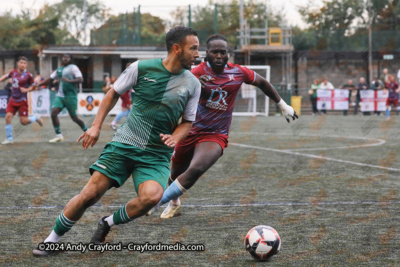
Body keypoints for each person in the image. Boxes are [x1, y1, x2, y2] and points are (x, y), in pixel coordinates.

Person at [32, 26, 201, 256]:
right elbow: (113, 94)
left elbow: (188, 122)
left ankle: (107, 223)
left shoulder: (193, 83)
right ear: (176, 48)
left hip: (156, 154)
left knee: (152, 197)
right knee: (89, 194)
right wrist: (95, 125)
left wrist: (175, 136)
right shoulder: (140, 68)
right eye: (194, 49)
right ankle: (51, 240)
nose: (197, 54)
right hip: (125, 144)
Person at [147, 34, 298, 219]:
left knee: (196, 168)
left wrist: (283, 105)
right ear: (207, 53)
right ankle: (174, 202)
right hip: (189, 131)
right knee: (176, 173)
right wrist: (191, 86)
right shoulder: (194, 73)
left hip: (215, 134)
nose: (219, 55)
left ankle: (156, 202)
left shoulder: (238, 72)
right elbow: (172, 95)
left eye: (223, 52)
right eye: (215, 52)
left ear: (228, 55)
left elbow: (262, 82)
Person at [36, 53, 88, 143]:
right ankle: (59, 136)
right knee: (53, 113)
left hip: (71, 97)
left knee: (74, 118)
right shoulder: (59, 70)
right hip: (60, 96)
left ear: (70, 59)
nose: (65, 58)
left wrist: (69, 81)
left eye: (67, 57)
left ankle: (87, 132)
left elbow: (80, 79)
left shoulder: (73, 68)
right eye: (64, 57)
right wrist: (38, 85)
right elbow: (49, 80)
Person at [0, 56, 43, 144]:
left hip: (22, 101)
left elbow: (34, 87)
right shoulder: (13, 72)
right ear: (18, 64)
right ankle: (9, 139)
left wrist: (27, 90)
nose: (23, 64)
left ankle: (36, 117)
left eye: (25, 63)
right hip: (13, 100)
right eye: (21, 63)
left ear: (26, 65)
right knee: (8, 117)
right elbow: (6, 76)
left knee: (23, 122)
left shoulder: (28, 75)